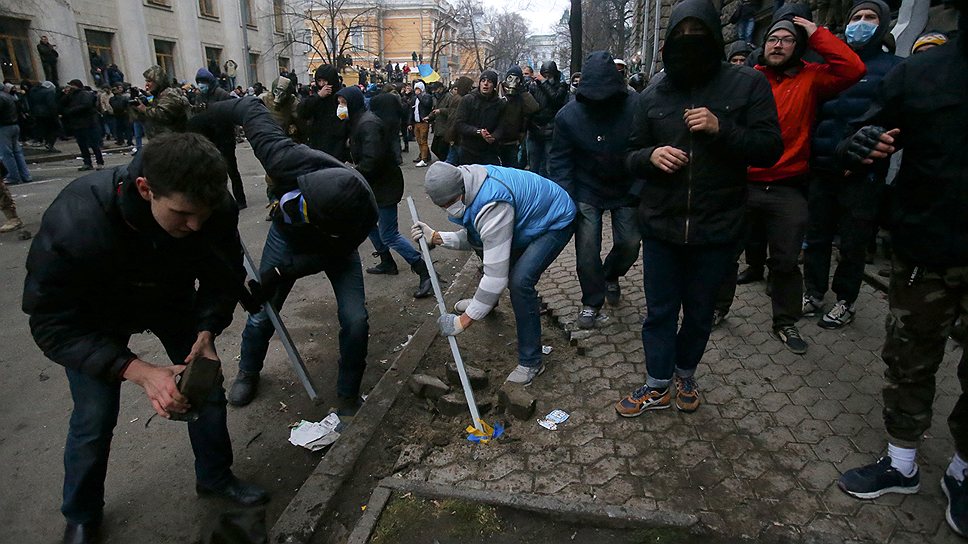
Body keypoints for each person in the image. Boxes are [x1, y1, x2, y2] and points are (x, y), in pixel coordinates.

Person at [22, 132, 268, 544]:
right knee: (94, 416)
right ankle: (82, 514)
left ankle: (215, 476)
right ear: (144, 189)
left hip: (170, 300)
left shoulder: (211, 207)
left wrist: (207, 329)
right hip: (94, 317)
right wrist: (136, 370)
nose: (194, 226)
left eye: (203, 216)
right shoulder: (77, 220)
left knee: (205, 387)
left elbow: (222, 275)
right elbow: (50, 323)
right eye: (182, 214)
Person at [834, 1, 968, 537]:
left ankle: (963, 470)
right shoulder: (924, 72)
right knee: (910, 360)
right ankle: (901, 462)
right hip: (926, 251)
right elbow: (860, 134)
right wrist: (861, 143)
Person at [614, 0, 782, 417]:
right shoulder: (652, 93)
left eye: (698, 32)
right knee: (659, 312)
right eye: (681, 33)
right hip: (661, 225)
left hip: (718, 226)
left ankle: (685, 374)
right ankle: (657, 385)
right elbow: (629, 155)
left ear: (712, 35)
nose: (690, 41)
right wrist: (650, 156)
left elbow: (770, 149)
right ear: (669, 40)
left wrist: (721, 128)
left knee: (700, 312)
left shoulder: (747, 85)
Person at [201, 97, 378, 410]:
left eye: (304, 211)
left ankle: (348, 390)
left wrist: (282, 272)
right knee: (262, 309)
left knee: (356, 320)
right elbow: (248, 108)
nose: (291, 205)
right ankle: (249, 370)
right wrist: (202, 119)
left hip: (332, 249)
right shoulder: (285, 157)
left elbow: (328, 254)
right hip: (285, 235)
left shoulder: (360, 216)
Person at [742, 5, 864, 354]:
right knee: (724, 251)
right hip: (745, 182)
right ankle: (718, 308)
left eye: (787, 40)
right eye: (772, 39)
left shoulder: (812, 78)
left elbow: (854, 68)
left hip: (787, 186)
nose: (778, 45)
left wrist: (816, 32)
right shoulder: (751, 78)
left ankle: (785, 322)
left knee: (784, 260)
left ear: (799, 45)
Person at [412, 161, 575, 385]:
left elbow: (495, 276)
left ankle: (532, 361)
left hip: (554, 219)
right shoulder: (467, 184)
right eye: (443, 205)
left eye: (449, 203)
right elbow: (479, 237)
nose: (448, 208)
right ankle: (486, 305)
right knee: (496, 261)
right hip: (526, 216)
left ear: (460, 191)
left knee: (519, 282)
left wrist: (462, 321)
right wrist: (436, 237)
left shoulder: (492, 203)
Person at [802, 0, 901, 329]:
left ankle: (846, 299)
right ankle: (813, 292)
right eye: (856, 17)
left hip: (863, 174)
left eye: (869, 18)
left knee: (853, 242)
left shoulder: (895, 69)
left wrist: (867, 156)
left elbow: (897, 124)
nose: (861, 23)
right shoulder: (831, 67)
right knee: (816, 236)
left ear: (883, 24)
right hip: (823, 167)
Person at [549, 51, 641, 330]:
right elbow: (560, 160)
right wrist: (567, 195)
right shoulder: (568, 116)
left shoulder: (635, 106)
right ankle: (591, 300)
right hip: (586, 189)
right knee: (587, 250)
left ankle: (611, 274)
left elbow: (645, 147)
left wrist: (640, 188)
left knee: (630, 243)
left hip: (625, 186)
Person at [335, 85, 432, 297]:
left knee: (389, 234)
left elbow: (372, 161)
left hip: (384, 186)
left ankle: (425, 271)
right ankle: (387, 261)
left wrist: (353, 172)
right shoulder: (358, 121)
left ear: (352, 102)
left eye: (342, 103)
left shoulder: (367, 124)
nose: (340, 107)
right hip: (373, 185)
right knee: (367, 224)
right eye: (339, 103)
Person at [195, 68, 247, 208]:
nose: (201, 85)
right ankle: (222, 201)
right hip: (208, 138)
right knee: (215, 171)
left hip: (224, 138)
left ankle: (240, 200)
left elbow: (228, 116)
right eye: (199, 82)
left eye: (203, 82)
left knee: (231, 170)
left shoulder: (221, 94)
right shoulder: (200, 96)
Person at [453, 71, 505, 166]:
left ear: (494, 85)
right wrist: (478, 132)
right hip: (468, 150)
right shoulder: (467, 100)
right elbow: (459, 124)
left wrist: (494, 136)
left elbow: (502, 125)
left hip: (490, 151)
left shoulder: (499, 104)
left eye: (489, 81)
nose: (485, 84)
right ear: (479, 83)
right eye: (483, 80)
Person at [527, 61, 570, 177]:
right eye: (544, 75)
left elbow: (556, 99)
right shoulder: (534, 86)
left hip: (551, 131)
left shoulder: (561, 86)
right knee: (534, 167)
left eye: (549, 75)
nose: (546, 78)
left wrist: (544, 82)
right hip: (535, 130)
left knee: (550, 167)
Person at [298, 65, 347, 161]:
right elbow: (302, 112)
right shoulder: (315, 96)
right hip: (318, 143)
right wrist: (318, 96)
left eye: (325, 81)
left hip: (337, 144)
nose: (322, 84)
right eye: (319, 81)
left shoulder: (341, 95)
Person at [494, 66, 538, 168]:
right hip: (495, 140)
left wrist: (522, 91)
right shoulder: (497, 94)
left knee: (511, 171)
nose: (512, 82)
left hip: (512, 142)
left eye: (517, 79)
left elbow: (534, 107)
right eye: (510, 78)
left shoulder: (521, 97)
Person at [60, 80, 104, 171]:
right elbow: (61, 104)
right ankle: (87, 162)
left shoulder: (85, 94)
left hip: (88, 123)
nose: (69, 87)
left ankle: (99, 162)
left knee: (93, 144)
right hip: (77, 124)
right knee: (82, 145)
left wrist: (71, 111)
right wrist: (65, 94)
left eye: (71, 85)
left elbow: (86, 105)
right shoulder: (70, 96)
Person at [428, 77, 472, 164]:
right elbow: (455, 118)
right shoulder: (461, 99)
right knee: (457, 160)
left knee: (451, 159)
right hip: (457, 135)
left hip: (453, 133)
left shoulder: (456, 98)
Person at [1, 84, 32, 186]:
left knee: (6, 153)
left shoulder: (1, 98)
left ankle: (13, 176)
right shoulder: (9, 97)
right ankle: (25, 175)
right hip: (13, 125)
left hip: (4, 127)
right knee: (17, 152)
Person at [369, 83, 406, 164]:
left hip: (381, 122)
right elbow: (400, 109)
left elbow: (371, 111)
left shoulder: (375, 99)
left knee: (383, 140)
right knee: (395, 139)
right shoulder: (393, 97)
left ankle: (385, 158)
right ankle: (398, 158)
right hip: (394, 121)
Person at [27, 80, 61, 152]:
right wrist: (55, 114)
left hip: (37, 114)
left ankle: (44, 141)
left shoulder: (34, 92)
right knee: (56, 128)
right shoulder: (49, 92)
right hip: (48, 113)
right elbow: (51, 104)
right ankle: (50, 144)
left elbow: (30, 103)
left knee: (44, 128)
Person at [410, 81, 433, 167]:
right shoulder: (414, 98)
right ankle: (425, 155)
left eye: (418, 89)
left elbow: (427, 105)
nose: (416, 91)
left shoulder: (426, 96)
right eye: (415, 89)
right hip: (416, 122)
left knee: (423, 141)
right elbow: (411, 110)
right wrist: (410, 122)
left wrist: (419, 96)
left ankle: (424, 159)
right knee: (419, 141)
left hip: (423, 122)